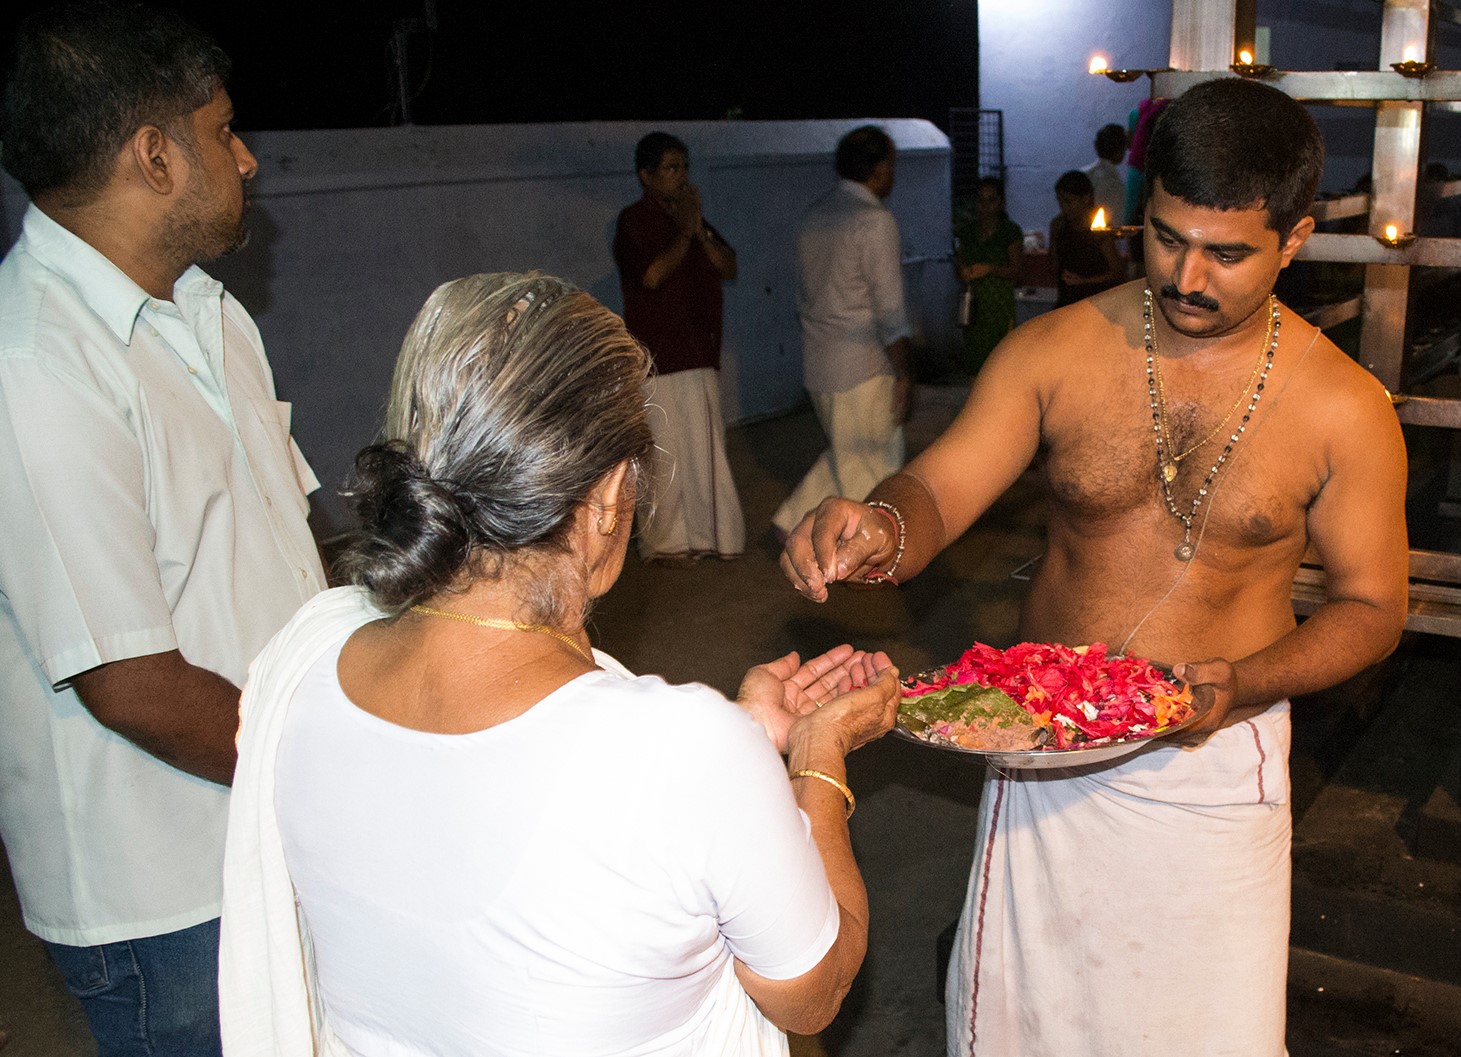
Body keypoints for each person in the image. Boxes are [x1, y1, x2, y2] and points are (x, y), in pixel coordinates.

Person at [778, 78, 1409, 1056]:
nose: (1187, 276)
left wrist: (1236, 682)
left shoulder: (1345, 407)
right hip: (1045, 760)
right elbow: (937, 494)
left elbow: (1372, 608)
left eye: (1227, 253)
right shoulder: (1055, 352)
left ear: (1296, 238)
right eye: (1164, 237)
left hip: (1215, 766)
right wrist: (877, 528)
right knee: (1028, 1031)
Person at [219, 272, 903, 1057]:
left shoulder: (309, 651)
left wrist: (744, 738)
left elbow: (506, 799)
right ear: (611, 495)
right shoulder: (685, 752)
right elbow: (813, 992)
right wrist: (816, 760)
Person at [0, 5, 325, 1055]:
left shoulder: (208, 313)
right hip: (167, 894)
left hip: (270, 821)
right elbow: (130, 680)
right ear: (155, 156)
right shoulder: (35, 361)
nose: (249, 159)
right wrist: (344, 753)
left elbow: (280, 549)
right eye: (225, 131)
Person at [770, 125, 913, 538]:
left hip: (821, 363)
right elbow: (889, 309)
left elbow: (802, 297)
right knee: (872, 466)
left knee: (850, 453)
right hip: (863, 365)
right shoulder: (874, 220)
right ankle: (859, 556)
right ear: (880, 169)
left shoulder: (814, 217)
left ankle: (792, 521)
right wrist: (905, 371)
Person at [615, 131, 746, 562]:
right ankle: (665, 545)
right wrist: (686, 234)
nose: (681, 177)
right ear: (646, 175)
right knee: (665, 453)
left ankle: (711, 537)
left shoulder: (690, 218)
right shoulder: (634, 221)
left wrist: (698, 232)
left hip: (698, 349)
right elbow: (652, 276)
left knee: (706, 447)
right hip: (657, 355)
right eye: (671, 168)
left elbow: (728, 265)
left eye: (684, 167)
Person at [952, 176, 1022, 375]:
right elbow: (959, 264)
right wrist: (964, 271)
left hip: (999, 308)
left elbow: (1016, 272)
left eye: (991, 200)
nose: (985, 207)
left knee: (1000, 365)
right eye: (981, 201)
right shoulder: (967, 232)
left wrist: (990, 269)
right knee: (976, 366)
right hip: (974, 307)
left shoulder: (1010, 232)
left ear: (1001, 203)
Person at [1048, 169, 1124, 308]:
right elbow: (1055, 264)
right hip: (1068, 301)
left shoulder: (1098, 229)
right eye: (1060, 202)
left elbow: (1116, 272)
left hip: (1096, 303)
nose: (1064, 208)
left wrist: (1083, 281)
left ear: (1086, 198)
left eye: (1069, 201)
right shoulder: (1059, 225)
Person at [1083, 122, 1129, 222]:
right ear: (1120, 151)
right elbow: (1115, 221)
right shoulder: (1114, 184)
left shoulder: (1083, 174)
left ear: (1096, 145)